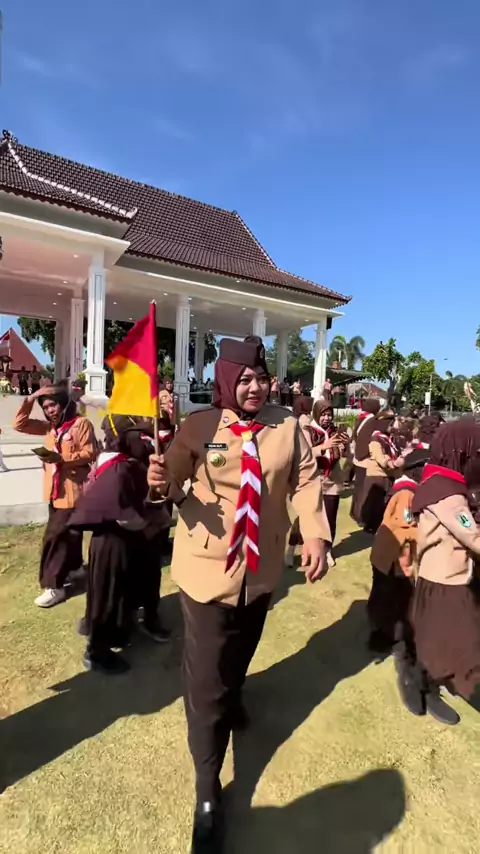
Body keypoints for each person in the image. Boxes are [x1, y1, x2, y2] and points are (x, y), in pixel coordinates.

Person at [147, 337, 331, 853]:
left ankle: (234, 695)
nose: (255, 387)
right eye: (244, 379)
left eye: (261, 378)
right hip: (207, 569)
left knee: (239, 658)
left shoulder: (286, 426)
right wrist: (161, 481)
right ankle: (208, 790)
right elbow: (172, 485)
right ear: (226, 380)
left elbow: (305, 480)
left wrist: (314, 533)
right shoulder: (200, 427)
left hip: (261, 569)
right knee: (206, 683)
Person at [67, 414, 173, 673]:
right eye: (140, 437)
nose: (145, 442)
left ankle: (121, 630)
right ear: (126, 438)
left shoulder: (122, 460)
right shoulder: (119, 468)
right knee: (108, 595)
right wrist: (149, 522)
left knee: (121, 590)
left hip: (123, 540)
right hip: (113, 542)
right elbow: (122, 513)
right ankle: (97, 651)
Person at [409, 418, 480, 724]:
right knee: (451, 640)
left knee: (441, 637)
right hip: (445, 581)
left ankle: (437, 680)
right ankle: (427, 688)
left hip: (442, 576)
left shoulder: (441, 481)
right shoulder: (448, 495)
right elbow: (472, 535)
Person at [13, 385, 97, 607]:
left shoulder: (81, 424)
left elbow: (90, 452)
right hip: (54, 491)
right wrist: (31, 398)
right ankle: (75, 568)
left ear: (64, 404)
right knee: (70, 533)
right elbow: (19, 424)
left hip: (73, 490)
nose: (50, 410)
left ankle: (54, 586)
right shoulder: (49, 428)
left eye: (53, 405)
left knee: (54, 538)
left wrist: (62, 459)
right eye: (45, 407)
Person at [367, 449, 428, 661]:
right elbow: (405, 528)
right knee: (391, 598)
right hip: (393, 557)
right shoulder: (407, 494)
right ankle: (383, 637)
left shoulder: (403, 488)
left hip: (387, 554)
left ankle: (382, 630)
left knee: (385, 595)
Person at [298, 398, 349, 566]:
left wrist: (343, 448)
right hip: (313, 478)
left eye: (329, 415)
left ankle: (327, 550)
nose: (327, 418)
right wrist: (324, 446)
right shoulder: (307, 430)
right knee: (307, 516)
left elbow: (346, 454)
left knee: (330, 517)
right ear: (316, 414)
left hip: (332, 479)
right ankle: (295, 547)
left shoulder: (335, 431)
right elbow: (305, 454)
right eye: (323, 415)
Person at [361, 411, 404, 534]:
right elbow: (379, 456)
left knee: (385, 503)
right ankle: (373, 528)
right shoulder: (376, 439)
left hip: (388, 475)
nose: (393, 427)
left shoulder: (389, 439)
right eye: (391, 424)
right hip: (377, 476)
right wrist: (391, 463)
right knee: (376, 504)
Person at [350, 398, 381, 523]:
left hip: (358, 459)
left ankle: (354, 512)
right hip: (365, 459)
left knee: (358, 488)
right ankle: (360, 515)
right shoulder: (372, 420)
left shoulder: (362, 417)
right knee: (364, 490)